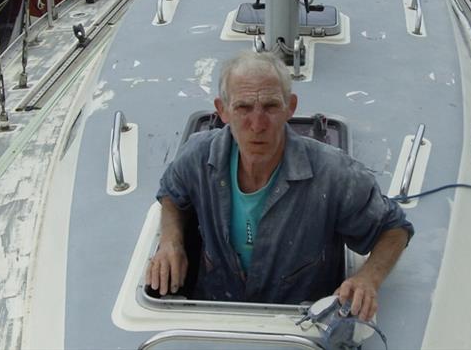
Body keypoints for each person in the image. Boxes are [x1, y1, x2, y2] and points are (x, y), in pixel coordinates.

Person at [146, 50, 413, 321]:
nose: (258, 124)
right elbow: (171, 194)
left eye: (271, 106)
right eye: (244, 107)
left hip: (297, 327)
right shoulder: (198, 156)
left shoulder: (333, 174)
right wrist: (171, 241)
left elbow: (394, 228)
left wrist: (368, 279)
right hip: (215, 316)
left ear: (290, 107)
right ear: (222, 110)